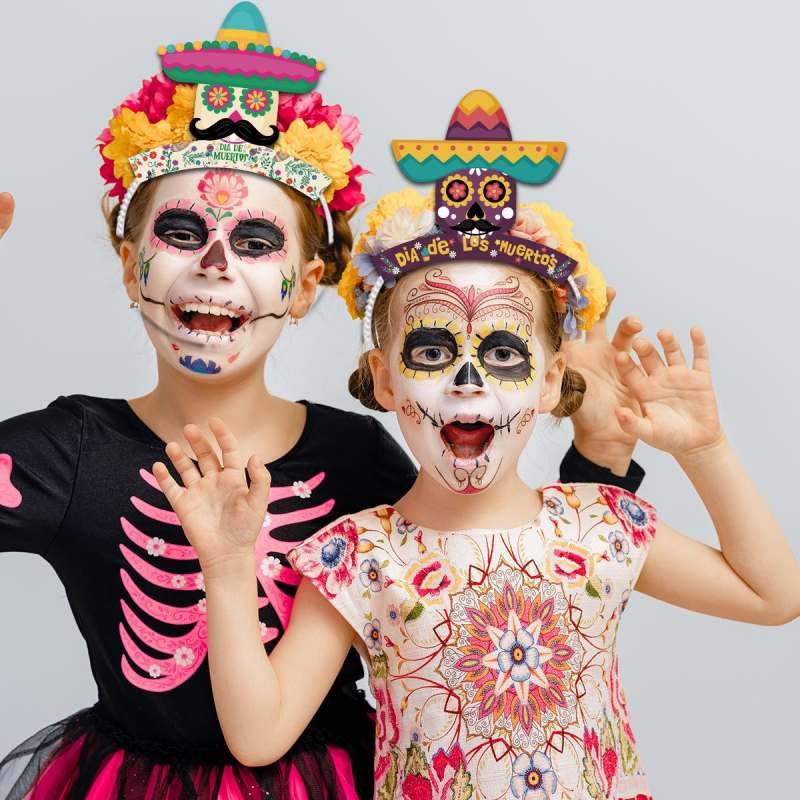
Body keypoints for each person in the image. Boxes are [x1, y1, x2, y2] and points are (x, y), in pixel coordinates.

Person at [0, 18, 644, 800]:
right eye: (180, 231)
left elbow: (499, 558)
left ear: (305, 285)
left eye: (256, 242)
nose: (214, 264)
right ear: (129, 259)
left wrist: (600, 457)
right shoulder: (67, 452)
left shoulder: (357, 457)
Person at [152, 92, 800, 800]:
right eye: (431, 349)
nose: (467, 381)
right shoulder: (357, 556)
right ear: (385, 378)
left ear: (551, 381)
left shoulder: (602, 524)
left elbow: (772, 596)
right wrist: (223, 565)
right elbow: (258, 734)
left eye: (502, 352)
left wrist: (705, 451)